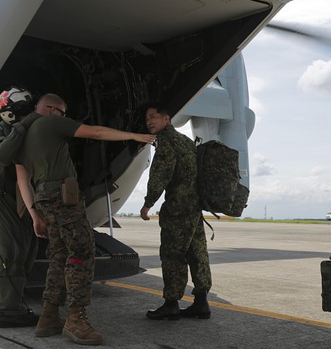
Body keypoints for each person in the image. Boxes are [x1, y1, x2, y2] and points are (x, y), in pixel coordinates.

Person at [3, 93, 156, 345]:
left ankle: (49, 316)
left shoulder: (19, 137)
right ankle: (76, 319)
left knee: (59, 256)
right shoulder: (50, 122)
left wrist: (34, 216)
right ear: (52, 110)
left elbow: (23, 181)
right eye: (64, 113)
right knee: (82, 253)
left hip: (44, 199)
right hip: (64, 197)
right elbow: (95, 132)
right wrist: (133, 136)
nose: (66, 118)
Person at [140, 105, 212, 321]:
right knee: (197, 254)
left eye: (153, 117)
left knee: (172, 255)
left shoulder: (166, 142)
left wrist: (148, 203)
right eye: (147, 119)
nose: (149, 122)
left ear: (167, 119)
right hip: (194, 208)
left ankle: (171, 304)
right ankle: (201, 303)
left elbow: (160, 174)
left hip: (177, 209)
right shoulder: (187, 141)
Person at [0, 87, 39, 328]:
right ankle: (6, 308)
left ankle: (12, 300)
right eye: (23, 111)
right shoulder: (9, 133)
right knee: (11, 252)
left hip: (21, 198)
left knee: (27, 250)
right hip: (4, 199)